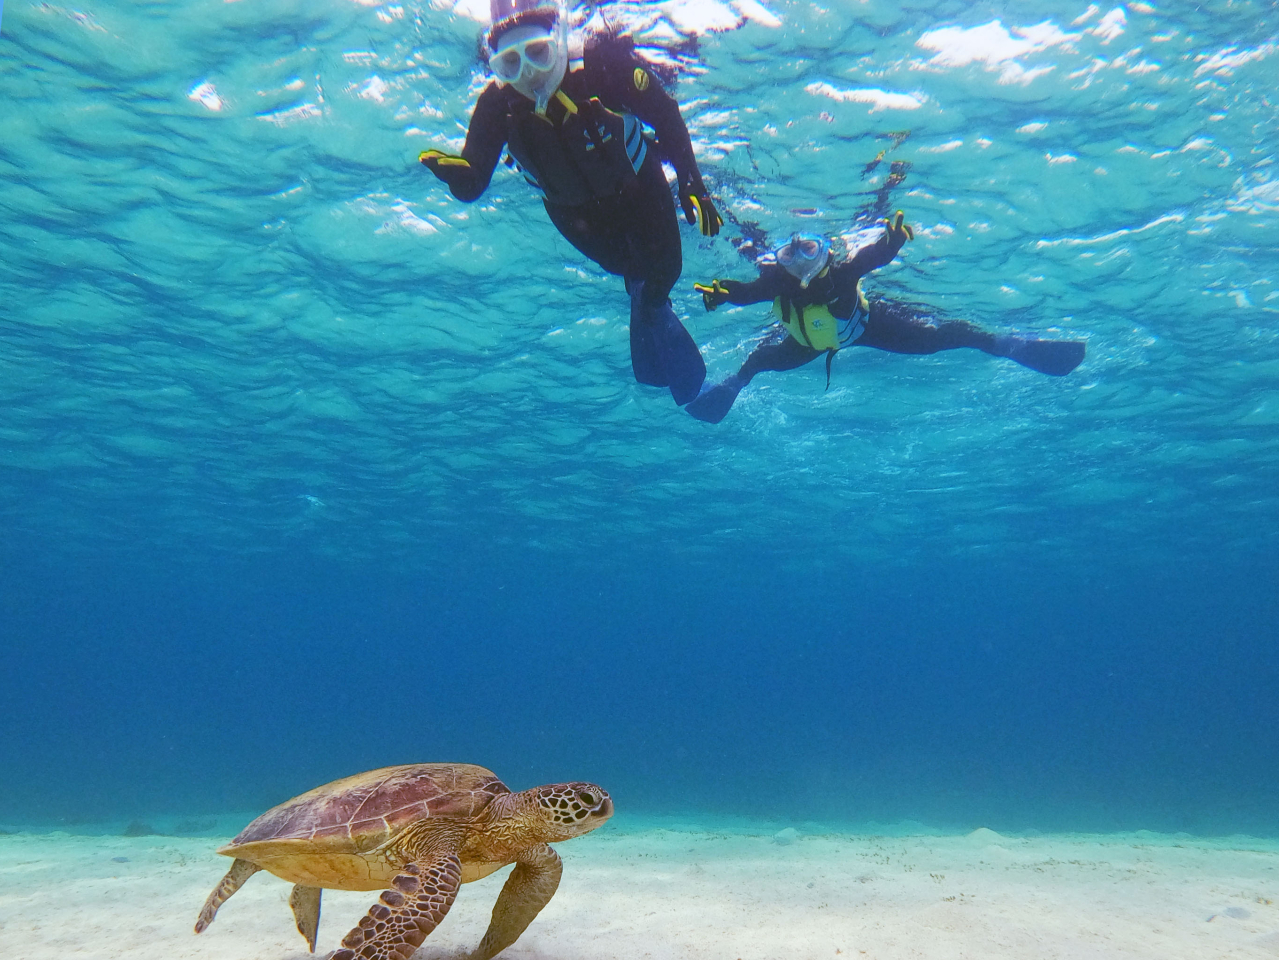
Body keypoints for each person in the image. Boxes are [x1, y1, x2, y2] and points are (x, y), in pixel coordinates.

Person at [419, 0, 722, 406]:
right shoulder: (497, 103)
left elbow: (665, 114)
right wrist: (461, 180)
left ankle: (651, 302)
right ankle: (642, 295)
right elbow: (475, 180)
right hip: (572, 211)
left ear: (560, 42)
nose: (528, 74)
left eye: (539, 52)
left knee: (666, 269)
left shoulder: (603, 65)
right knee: (624, 266)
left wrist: (692, 183)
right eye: (510, 64)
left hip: (639, 185)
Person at [685, 211, 1086, 423]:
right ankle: (731, 387)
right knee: (758, 362)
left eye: (809, 249)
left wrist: (891, 242)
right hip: (806, 344)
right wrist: (722, 294)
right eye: (790, 254)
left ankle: (1007, 344)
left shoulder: (841, 274)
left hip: (865, 327)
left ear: (826, 252)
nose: (800, 262)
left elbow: (868, 259)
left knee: (937, 339)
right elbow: (747, 292)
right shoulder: (777, 281)